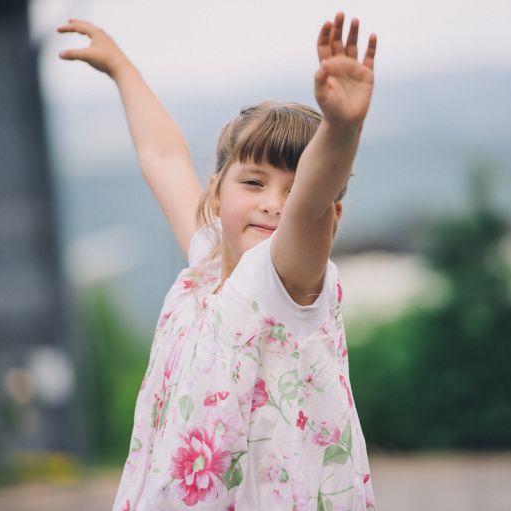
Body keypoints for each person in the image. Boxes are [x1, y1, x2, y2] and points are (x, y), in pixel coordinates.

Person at [58, 12, 377, 510]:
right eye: (254, 182)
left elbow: (312, 198)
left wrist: (341, 128)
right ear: (216, 190)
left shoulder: (286, 280)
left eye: (292, 193)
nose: (275, 202)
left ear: (330, 215)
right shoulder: (208, 262)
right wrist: (120, 66)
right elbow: (162, 155)